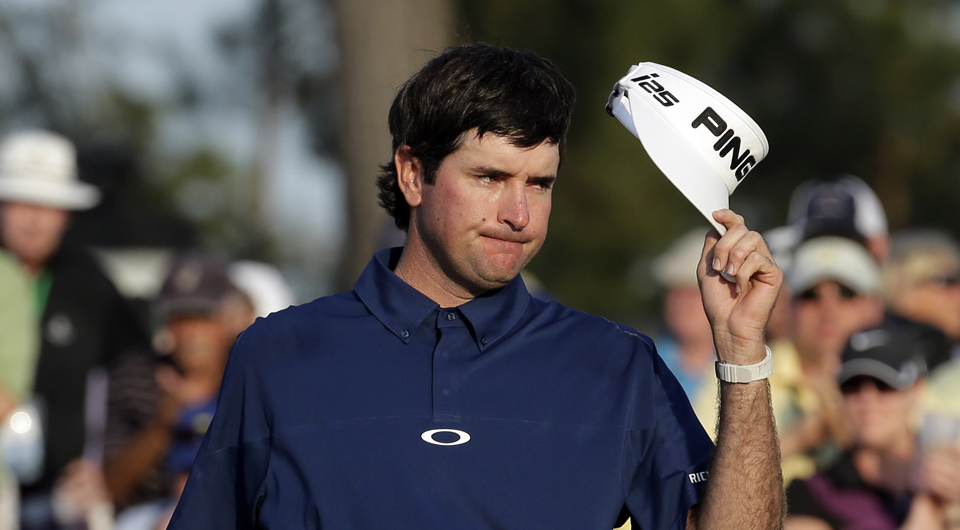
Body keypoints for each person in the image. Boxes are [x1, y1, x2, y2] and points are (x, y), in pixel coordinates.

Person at [169, 43, 784, 529]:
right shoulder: (277, 355)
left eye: (539, 184)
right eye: (490, 177)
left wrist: (742, 353)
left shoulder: (617, 366)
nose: (519, 214)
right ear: (413, 174)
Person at [0, 130, 151, 529]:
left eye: (48, 206)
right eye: (21, 203)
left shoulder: (91, 285)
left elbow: (137, 380)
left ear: (67, 214)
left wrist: (108, 466)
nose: (34, 220)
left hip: (63, 503)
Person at [105, 254, 240, 528]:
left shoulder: (252, 377)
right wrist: (165, 422)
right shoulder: (137, 375)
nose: (191, 333)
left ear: (227, 319)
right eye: (179, 319)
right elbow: (110, 486)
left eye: (202, 318)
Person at [784, 321, 960, 530]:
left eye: (884, 384)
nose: (867, 399)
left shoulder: (951, 472)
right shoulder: (811, 494)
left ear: (916, 389)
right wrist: (927, 506)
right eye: (853, 385)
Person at [650, 227, 716, 399]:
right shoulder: (641, 364)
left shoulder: (756, 372)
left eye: (693, 292)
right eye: (675, 292)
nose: (681, 303)